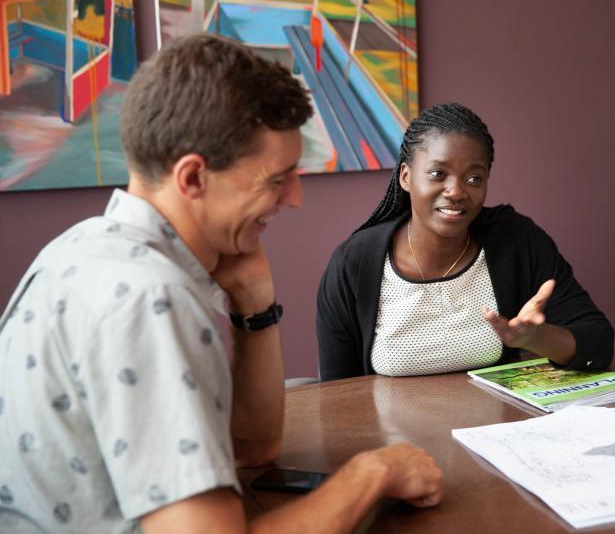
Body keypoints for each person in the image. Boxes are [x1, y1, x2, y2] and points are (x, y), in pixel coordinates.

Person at [0, 33, 441, 534]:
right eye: (277, 179)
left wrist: (254, 305)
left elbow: (252, 449)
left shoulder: (78, 247)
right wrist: (372, 471)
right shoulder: (151, 299)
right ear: (192, 178)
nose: (294, 198)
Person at [316, 102, 614, 381]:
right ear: (406, 177)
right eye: (437, 174)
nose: (456, 191)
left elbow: (598, 343)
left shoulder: (517, 242)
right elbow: (337, 394)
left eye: (474, 178)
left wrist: (537, 339)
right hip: (397, 437)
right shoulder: (354, 264)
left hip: (496, 432)